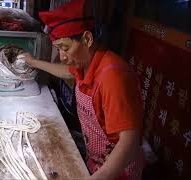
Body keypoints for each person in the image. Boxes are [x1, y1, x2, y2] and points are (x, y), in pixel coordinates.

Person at [17, 0, 144, 179]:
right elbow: (67, 72)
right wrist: (33, 62)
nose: (62, 57)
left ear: (87, 39)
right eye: (58, 49)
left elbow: (129, 142)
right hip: (97, 162)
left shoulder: (112, 77)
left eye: (65, 48)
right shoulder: (86, 64)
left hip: (119, 170)